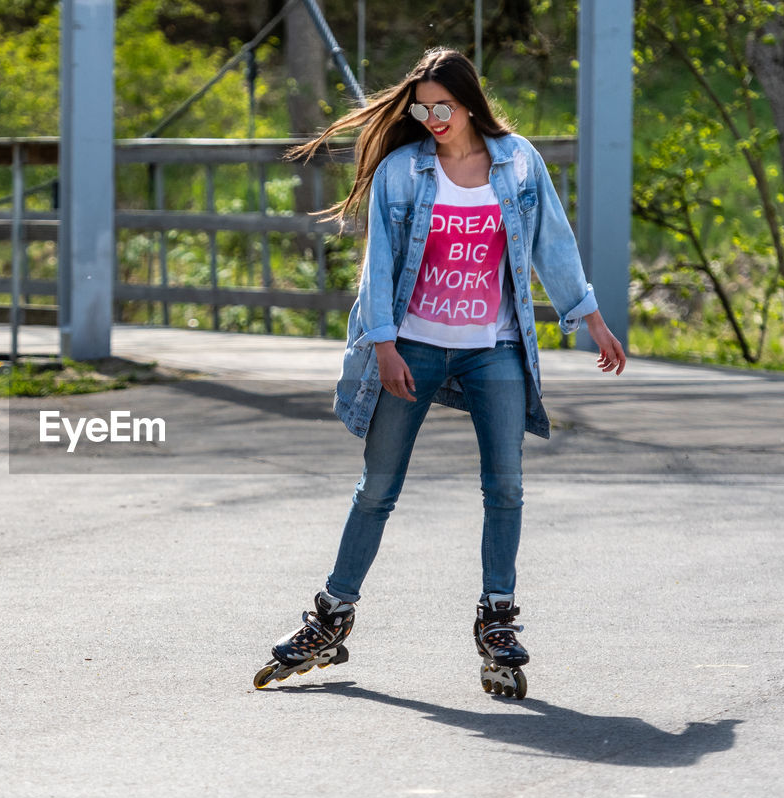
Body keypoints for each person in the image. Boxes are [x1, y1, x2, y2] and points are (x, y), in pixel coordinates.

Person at [254, 47, 626, 693]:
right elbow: (379, 262)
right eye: (422, 107)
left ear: (468, 101)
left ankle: (497, 619)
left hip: (496, 348)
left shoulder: (519, 162)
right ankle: (331, 616)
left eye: (442, 106)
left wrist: (588, 316)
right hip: (415, 345)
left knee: (504, 487)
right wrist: (383, 344)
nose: (431, 117)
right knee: (378, 487)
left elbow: (553, 243)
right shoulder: (404, 169)